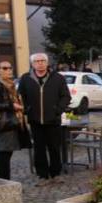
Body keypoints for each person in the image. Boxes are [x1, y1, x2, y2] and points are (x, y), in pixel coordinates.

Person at [18, 53, 71, 186]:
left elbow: (66, 96)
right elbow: (20, 96)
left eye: (42, 61)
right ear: (32, 64)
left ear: (47, 63)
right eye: (37, 61)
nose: (40, 63)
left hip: (53, 120)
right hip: (35, 120)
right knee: (39, 149)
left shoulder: (58, 78)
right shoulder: (26, 78)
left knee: (54, 148)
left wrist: (57, 110)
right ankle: (42, 175)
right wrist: (26, 109)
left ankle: (55, 174)